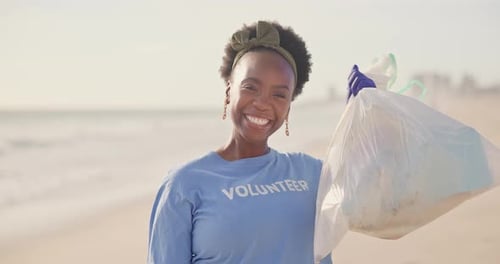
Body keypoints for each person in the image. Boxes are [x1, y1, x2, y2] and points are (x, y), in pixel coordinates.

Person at [147, 20, 375, 264]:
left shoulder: (313, 174)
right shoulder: (185, 185)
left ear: (288, 107)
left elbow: (385, 197)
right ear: (228, 92)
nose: (263, 103)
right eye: (250, 87)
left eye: (279, 94)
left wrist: (368, 118)